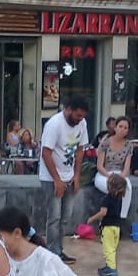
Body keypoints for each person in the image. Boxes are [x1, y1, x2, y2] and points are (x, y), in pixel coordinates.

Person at [38, 100, 88, 261]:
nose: (80, 119)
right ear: (68, 109)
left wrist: (77, 175)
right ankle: (52, 252)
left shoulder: (82, 123)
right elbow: (46, 153)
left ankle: (59, 249)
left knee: (66, 217)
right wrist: (57, 180)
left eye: (82, 116)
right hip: (51, 178)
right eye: (77, 115)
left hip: (69, 176)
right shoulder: (54, 125)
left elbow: (80, 150)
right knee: (54, 217)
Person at [94, 116, 138, 231]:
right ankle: (105, 221)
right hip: (105, 173)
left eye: (126, 128)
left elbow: (126, 168)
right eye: (120, 126)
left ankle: (121, 220)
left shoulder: (129, 145)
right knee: (113, 189)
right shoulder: (106, 143)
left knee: (127, 187)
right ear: (115, 127)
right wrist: (111, 177)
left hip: (120, 173)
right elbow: (99, 166)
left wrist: (121, 177)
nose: (122, 130)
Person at [83, 174, 130, 276]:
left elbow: (103, 212)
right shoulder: (120, 198)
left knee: (108, 248)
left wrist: (92, 219)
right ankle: (110, 265)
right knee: (113, 248)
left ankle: (111, 268)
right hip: (117, 226)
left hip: (108, 227)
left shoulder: (106, 199)